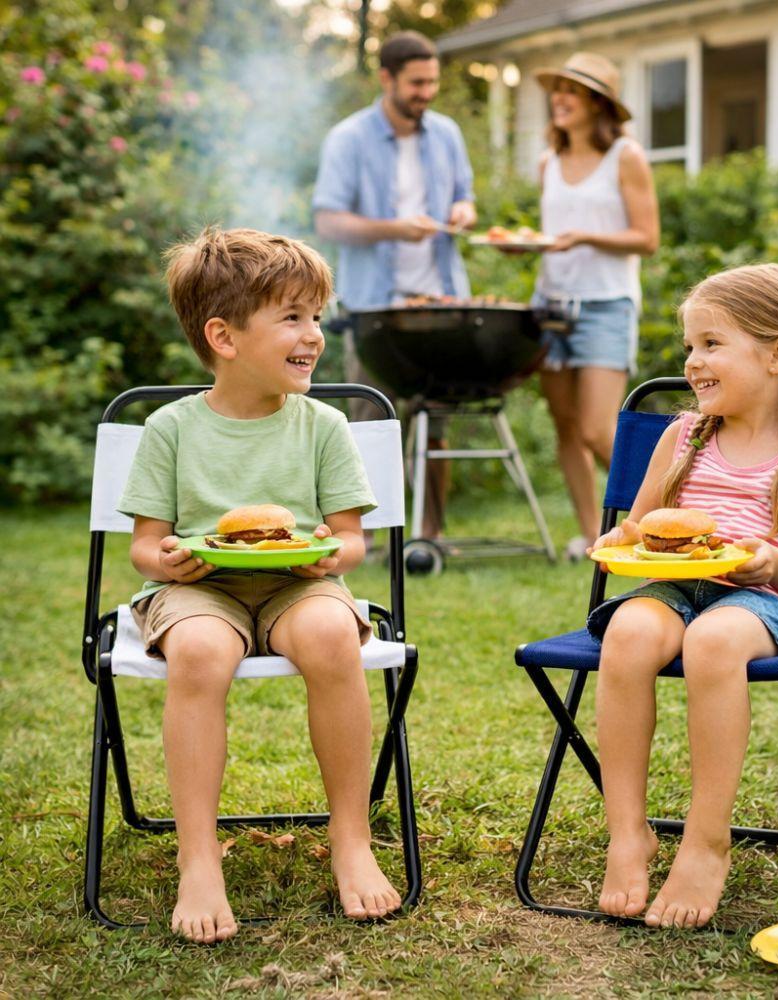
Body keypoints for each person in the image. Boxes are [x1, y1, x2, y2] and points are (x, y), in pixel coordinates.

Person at [118, 227, 401, 944]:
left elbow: (349, 540)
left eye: (316, 317)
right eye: (292, 318)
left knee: (333, 633)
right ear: (224, 336)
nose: (314, 335)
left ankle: (352, 838)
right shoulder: (170, 428)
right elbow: (146, 548)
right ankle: (199, 856)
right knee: (202, 654)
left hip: (295, 585)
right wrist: (169, 561)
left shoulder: (324, 426)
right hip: (202, 587)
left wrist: (327, 558)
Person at [585, 263, 778, 928]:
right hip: (679, 586)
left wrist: (774, 568)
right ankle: (630, 832)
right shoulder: (683, 436)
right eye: (689, 347)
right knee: (627, 633)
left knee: (712, 641)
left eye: (710, 344)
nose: (692, 362)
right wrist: (616, 541)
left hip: (766, 603)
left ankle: (706, 841)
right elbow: (639, 524)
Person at [313, 30, 476, 540]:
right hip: (374, 307)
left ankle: (430, 534)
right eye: (416, 83)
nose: (426, 92)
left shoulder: (446, 133)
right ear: (386, 78)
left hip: (439, 300)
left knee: (437, 422)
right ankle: (369, 538)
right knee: (369, 425)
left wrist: (463, 212)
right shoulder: (348, 138)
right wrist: (394, 228)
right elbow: (328, 221)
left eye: (432, 82)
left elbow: (467, 196)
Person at [532, 52, 659, 559]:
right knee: (565, 427)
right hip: (550, 302)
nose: (560, 98)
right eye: (557, 89)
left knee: (597, 429)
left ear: (598, 103)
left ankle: (658, 519)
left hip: (606, 305)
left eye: (573, 91)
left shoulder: (625, 155)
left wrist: (584, 237)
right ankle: (593, 537)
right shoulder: (548, 162)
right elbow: (552, 235)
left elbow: (646, 238)